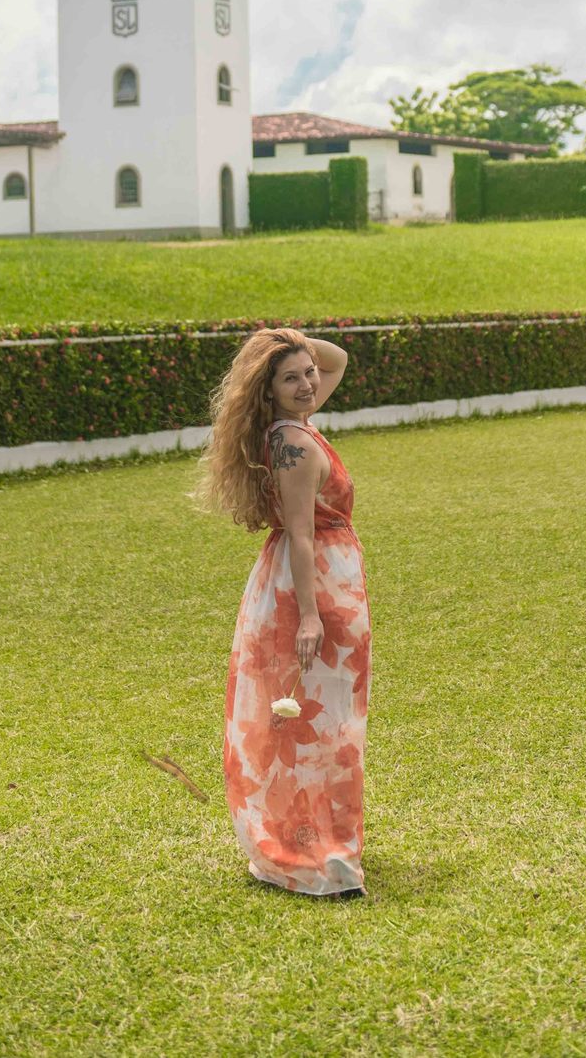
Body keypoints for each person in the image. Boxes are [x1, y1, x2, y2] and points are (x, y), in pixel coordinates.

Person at [189, 326, 371, 898]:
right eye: (290, 378)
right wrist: (311, 617)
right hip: (310, 590)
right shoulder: (295, 445)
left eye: (308, 373)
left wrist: (283, 343)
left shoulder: (294, 425)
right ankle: (317, 857)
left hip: (316, 584)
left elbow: (338, 359)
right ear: (268, 391)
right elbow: (300, 534)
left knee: (326, 721)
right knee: (320, 726)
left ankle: (324, 845)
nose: (308, 383)